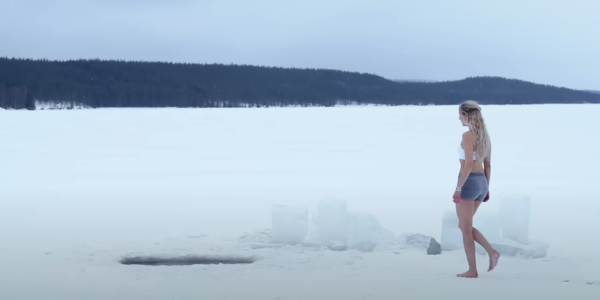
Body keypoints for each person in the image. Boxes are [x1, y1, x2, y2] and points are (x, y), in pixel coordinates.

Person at [453, 100, 500, 278]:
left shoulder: (467, 136)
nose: (459, 118)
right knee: (465, 225)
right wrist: (486, 187)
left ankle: (474, 269)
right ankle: (491, 252)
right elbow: (488, 166)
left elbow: (467, 166)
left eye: (460, 115)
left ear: (467, 115)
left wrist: (458, 188)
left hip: (469, 182)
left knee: (466, 229)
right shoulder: (485, 137)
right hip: (481, 182)